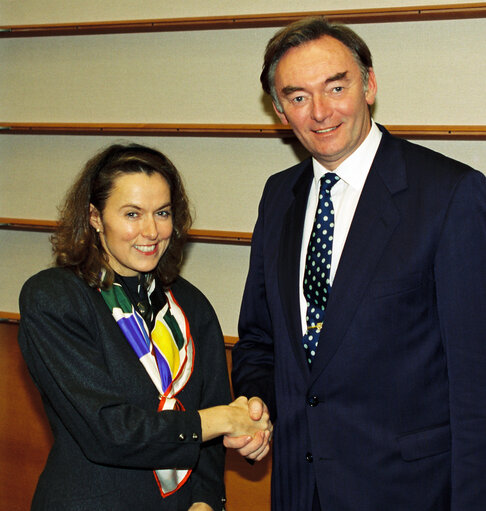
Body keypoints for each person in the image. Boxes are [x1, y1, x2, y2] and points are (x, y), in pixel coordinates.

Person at [227, 16, 486, 510]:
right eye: (298, 96)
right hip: (300, 492)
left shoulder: (450, 194)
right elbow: (261, 339)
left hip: (410, 493)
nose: (320, 112)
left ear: (368, 84)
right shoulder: (278, 196)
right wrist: (256, 403)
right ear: (280, 110)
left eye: (336, 87)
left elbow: (477, 383)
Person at [18, 143, 270, 511]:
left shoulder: (192, 305)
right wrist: (220, 420)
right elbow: (108, 431)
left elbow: (212, 419)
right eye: (132, 214)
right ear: (95, 217)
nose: (151, 231)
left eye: (162, 212)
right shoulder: (54, 298)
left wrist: (204, 499)